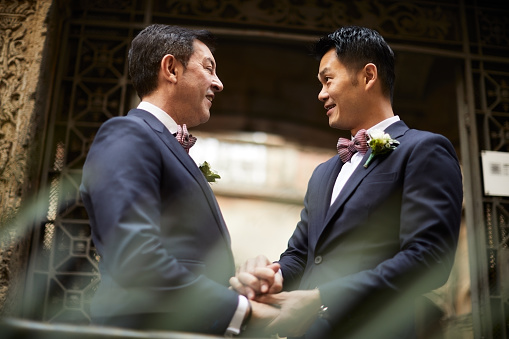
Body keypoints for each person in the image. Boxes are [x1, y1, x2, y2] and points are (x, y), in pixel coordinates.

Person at [230, 25, 463, 339]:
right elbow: (301, 255)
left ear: (368, 76)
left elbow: (428, 258)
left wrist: (323, 298)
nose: (321, 93)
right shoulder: (324, 172)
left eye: (328, 79)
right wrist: (271, 276)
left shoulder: (424, 150)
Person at [80, 24, 278, 336]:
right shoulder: (127, 133)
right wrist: (241, 311)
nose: (219, 83)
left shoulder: (166, 143)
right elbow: (135, 256)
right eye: (209, 68)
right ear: (171, 68)